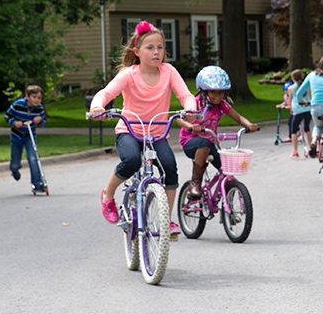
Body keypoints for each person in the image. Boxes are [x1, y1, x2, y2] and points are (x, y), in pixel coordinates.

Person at [88, 20, 197, 236]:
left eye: (160, 47)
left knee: (169, 168)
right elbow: (106, 93)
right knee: (131, 160)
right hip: (130, 130)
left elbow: (185, 95)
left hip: (157, 133)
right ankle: (108, 195)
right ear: (137, 51)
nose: (156, 52)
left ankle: (167, 220)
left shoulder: (169, 71)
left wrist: (190, 108)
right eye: (150, 48)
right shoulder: (129, 74)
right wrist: (97, 106)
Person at [179, 65, 259, 197]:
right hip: (190, 142)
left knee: (227, 172)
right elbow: (179, 120)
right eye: (213, 92)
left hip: (211, 144)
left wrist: (248, 124)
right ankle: (195, 183)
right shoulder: (195, 103)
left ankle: (229, 207)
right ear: (204, 91)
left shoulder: (222, 104)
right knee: (204, 143)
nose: (217, 96)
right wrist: (191, 126)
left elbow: (237, 117)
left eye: (221, 92)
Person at [4, 84, 47, 193]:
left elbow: (43, 123)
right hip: (16, 136)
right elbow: (7, 116)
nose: (37, 100)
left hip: (30, 136)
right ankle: (15, 170)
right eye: (34, 97)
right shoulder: (18, 104)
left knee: (33, 158)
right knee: (15, 164)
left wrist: (40, 121)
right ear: (27, 97)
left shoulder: (39, 108)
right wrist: (14, 123)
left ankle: (37, 184)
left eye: (39, 98)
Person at [286, 69, 313, 158]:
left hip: (297, 110)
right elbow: (309, 96)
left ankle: (295, 151)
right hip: (307, 109)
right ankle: (311, 148)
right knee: (307, 128)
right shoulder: (306, 86)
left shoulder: (291, 88)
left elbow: (290, 100)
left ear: (293, 78)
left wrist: (290, 108)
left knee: (294, 130)